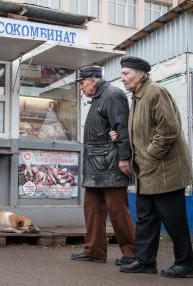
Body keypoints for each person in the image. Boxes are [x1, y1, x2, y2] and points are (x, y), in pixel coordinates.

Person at [113, 56, 193, 278]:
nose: (122, 78)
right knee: (146, 218)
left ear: (141, 74)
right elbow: (142, 131)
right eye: (122, 74)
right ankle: (145, 261)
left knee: (174, 219)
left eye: (126, 73)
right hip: (147, 172)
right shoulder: (137, 97)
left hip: (165, 170)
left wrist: (151, 155)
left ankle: (186, 263)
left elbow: (168, 129)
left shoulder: (155, 92)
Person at [71, 66, 135, 266]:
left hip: (111, 164)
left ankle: (132, 253)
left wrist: (125, 158)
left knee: (118, 212)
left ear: (93, 79)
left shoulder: (112, 95)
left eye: (82, 83)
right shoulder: (100, 97)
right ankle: (94, 251)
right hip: (96, 166)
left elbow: (121, 128)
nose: (81, 88)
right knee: (92, 209)